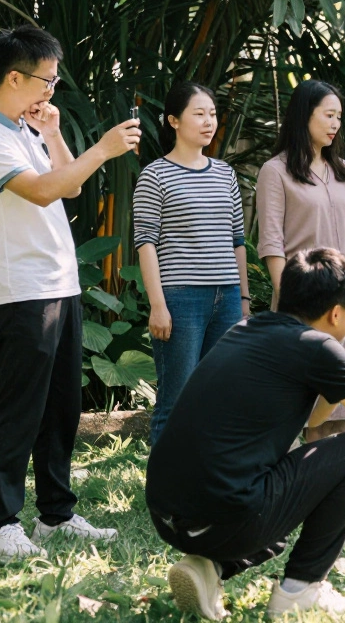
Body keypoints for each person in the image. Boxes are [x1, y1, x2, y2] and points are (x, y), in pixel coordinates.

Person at [147, 248, 345, 619]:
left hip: (168, 513)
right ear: (336, 313)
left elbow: (315, 417)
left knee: (282, 502)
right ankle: (301, 590)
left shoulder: (249, 328)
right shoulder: (315, 347)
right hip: (224, 518)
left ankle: (209, 568)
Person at [0, 24, 136, 558]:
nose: (51, 92)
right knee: (21, 409)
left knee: (60, 408)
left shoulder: (22, 128)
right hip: (22, 290)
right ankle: (0, 525)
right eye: (47, 82)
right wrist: (103, 148)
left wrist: (56, 134)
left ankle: (55, 517)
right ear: (14, 77)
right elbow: (40, 192)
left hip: (58, 284)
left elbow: (69, 183)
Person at [134, 81, 250, 446]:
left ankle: (205, 483)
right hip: (180, 300)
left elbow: (237, 241)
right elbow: (145, 243)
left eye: (212, 114)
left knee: (219, 395)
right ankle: (164, 492)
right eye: (198, 114)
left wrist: (243, 300)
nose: (208, 121)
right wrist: (157, 305)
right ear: (173, 121)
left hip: (227, 298)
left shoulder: (224, 173)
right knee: (176, 397)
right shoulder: (155, 175)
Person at [256, 79, 345, 441]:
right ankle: (301, 481)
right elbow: (272, 245)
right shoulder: (276, 171)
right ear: (305, 115)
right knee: (305, 402)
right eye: (328, 115)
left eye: (338, 116)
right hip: (301, 306)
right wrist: (290, 299)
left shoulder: (343, 171)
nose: (335, 123)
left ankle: (338, 480)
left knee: (343, 394)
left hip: (344, 304)